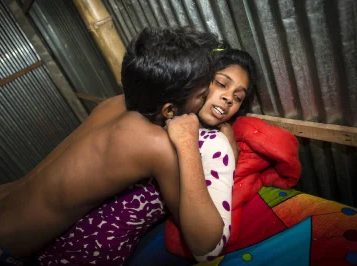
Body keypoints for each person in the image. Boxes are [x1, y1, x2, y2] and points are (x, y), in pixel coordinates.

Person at [0, 27, 225, 266]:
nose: (205, 100)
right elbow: (204, 242)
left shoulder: (114, 103)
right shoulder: (154, 145)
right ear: (169, 109)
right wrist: (188, 143)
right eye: (202, 95)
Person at [37, 48, 256, 265]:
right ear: (200, 79)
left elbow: (209, 248)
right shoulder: (150, 107)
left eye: (238, 97)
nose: (228, 98)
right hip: (48, 232)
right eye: (221, 83)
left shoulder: (213, 144)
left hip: (91, 252)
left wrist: (202, 146)